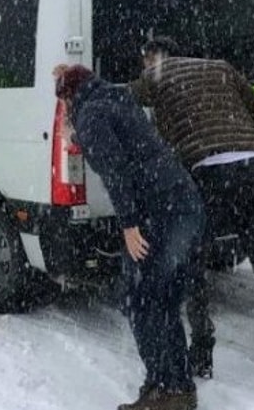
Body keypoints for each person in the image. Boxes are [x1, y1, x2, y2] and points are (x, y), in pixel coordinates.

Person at [131, 37, 254, 403]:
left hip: (207, 173)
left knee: (193, 261)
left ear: (153, 57)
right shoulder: (220, 66)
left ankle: (202, 349)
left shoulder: (156, 73)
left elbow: (123, 97)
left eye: (145, 60)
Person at [54, 63, 204, 410]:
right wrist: (76, 136)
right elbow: (119, 145)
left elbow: (116, 170)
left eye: (62, 101)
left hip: (160, 211)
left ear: (69, 96)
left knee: (142, 299)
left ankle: (169, 389)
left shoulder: (90, 113)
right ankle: (170, 385)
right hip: (183, 203)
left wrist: (130, 225)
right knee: (161, 298)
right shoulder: (116, 98)